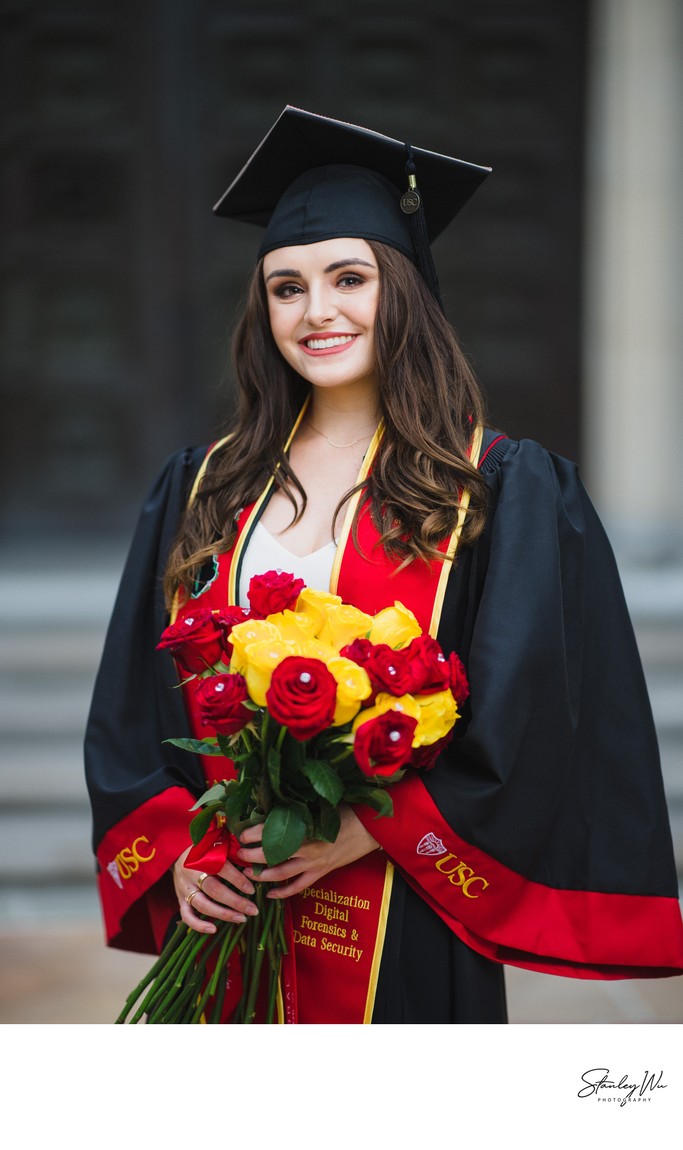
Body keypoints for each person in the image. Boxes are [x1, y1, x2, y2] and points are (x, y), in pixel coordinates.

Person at [85, 106, 683, 1024]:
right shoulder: (203, 485)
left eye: (348, 277)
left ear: (401, 289)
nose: (316, 311)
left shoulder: (493, 489)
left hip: (401, 917)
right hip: (227, 907)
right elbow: (134, 704)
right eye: (286, 287)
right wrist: (177, 851)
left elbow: (538, 711)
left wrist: (365, 827)